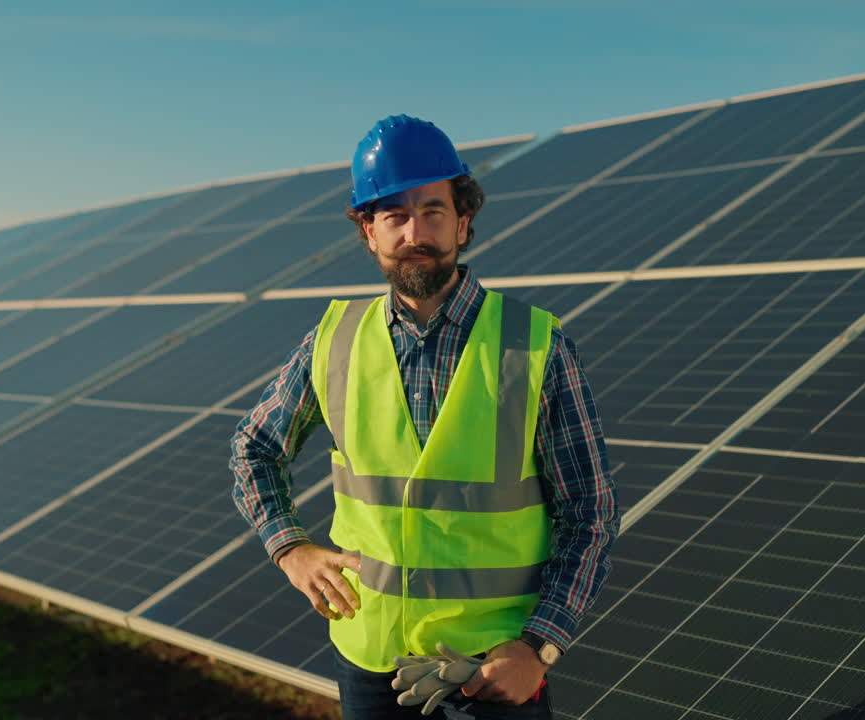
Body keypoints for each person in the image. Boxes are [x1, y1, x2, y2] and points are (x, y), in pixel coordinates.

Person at [231, 114, 617, 719]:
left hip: (495, 667)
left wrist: (539, 647)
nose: (416, 231)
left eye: (433, 211)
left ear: (463, 221)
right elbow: (254, 448)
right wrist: (291, 549)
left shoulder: (534, 345)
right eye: (394, 216)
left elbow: (589, 513)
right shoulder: (334, 341)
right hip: (369, 662)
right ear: (369, 232)